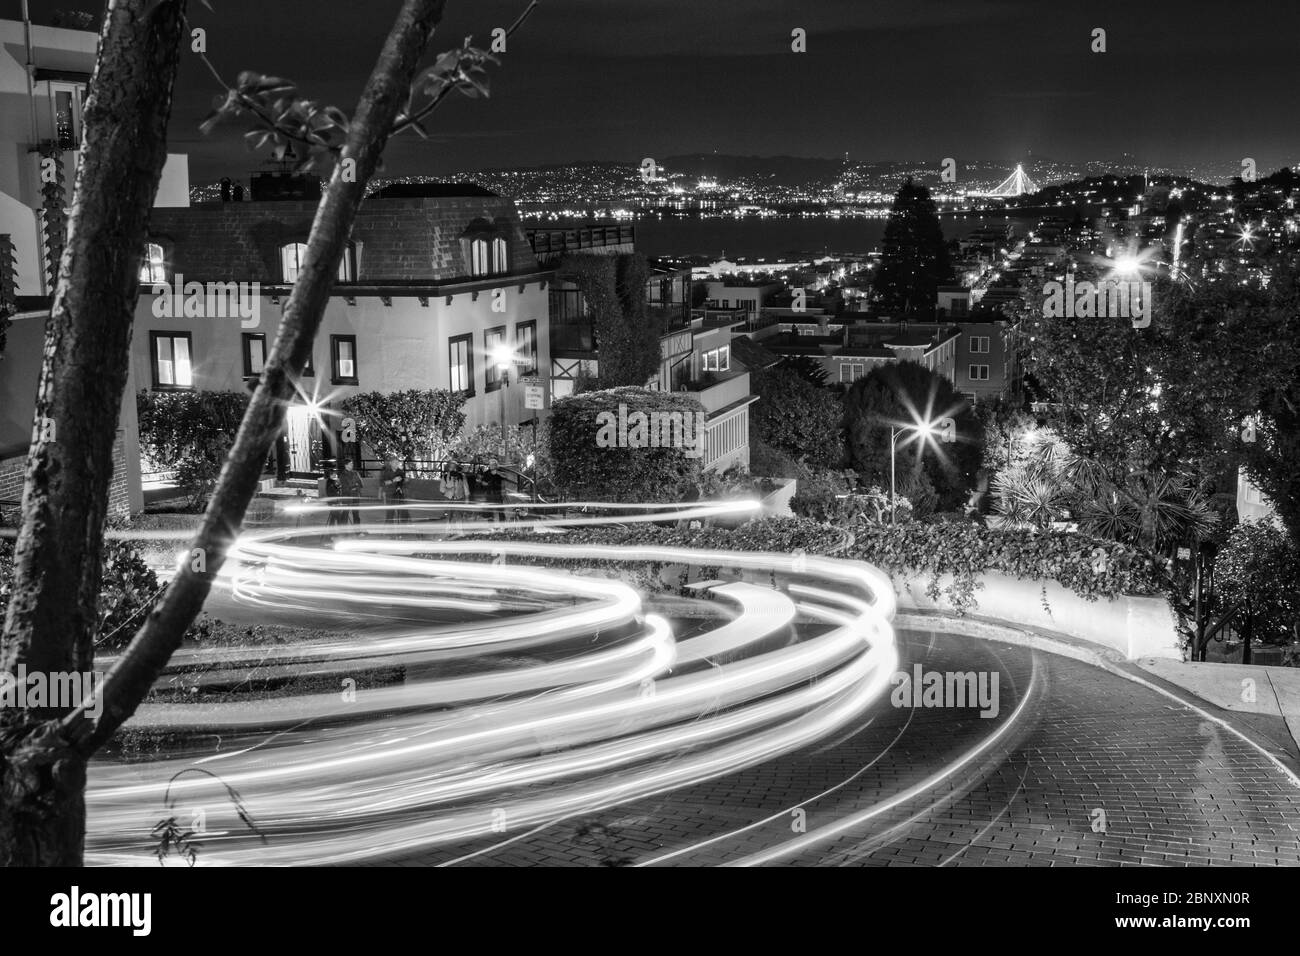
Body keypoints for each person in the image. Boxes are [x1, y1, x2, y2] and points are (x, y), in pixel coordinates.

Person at [379, 455, 408, 523]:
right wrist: (393, 480)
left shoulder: (400, 472)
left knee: (403, 511)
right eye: (395, 462)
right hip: (389, 494)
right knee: (390, 513)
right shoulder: (386, 472)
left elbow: (403, 482)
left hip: (399, 493)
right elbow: (382, 483)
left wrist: (405, 482)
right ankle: (389, 529)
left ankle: (403, 528)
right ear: (391, 463)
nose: (397, 464)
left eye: (398, 463)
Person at [479, 458, 507, 523]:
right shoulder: (486, 473)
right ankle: (491, 524)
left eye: (493, 464)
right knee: (490, 510)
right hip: (489, 494)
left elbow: (505, 476)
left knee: (500, 509)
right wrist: (484, 483)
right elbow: (482, 482)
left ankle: (502, 524)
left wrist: (497, 472)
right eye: (490, 464)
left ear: (496, 465)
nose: (491, 465)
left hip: (498, 494)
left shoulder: (499, 471)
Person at [338, 458, 364, 525]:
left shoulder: (355, 473)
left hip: (355, 496)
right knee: (345, 514)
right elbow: (345, 487)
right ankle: (343, 531)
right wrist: (355, 485)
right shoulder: (342, 475)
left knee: (356, 514)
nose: (352, 465)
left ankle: (358, 531)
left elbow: (361, 484)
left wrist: (354, 487)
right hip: (347, 497)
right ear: (346, 465)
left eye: (352, 463)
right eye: (350, 464)